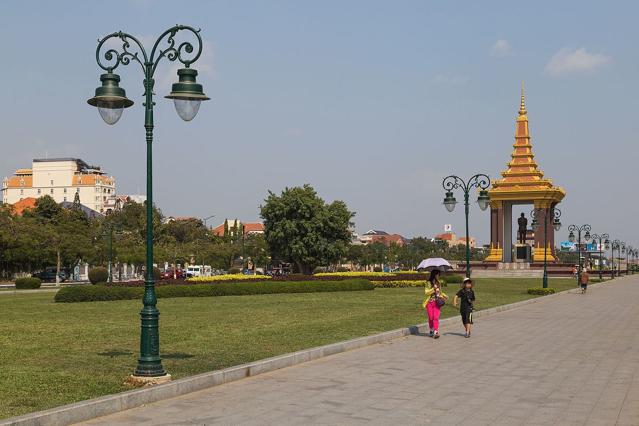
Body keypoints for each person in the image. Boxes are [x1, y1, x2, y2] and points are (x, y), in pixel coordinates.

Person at [423, 269, 448, 339]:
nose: (438, 276)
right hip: (429, 303)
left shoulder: (438, 283)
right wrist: (433, 289)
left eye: (439, 275)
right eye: (438, 275)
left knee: (435, 317)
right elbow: (426, 292)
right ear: (434, 275)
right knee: (431, 318)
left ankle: (436, 331)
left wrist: (444, 295)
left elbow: (440, 292)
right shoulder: (428, 283)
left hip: (437, 302)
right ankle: (431, 329)